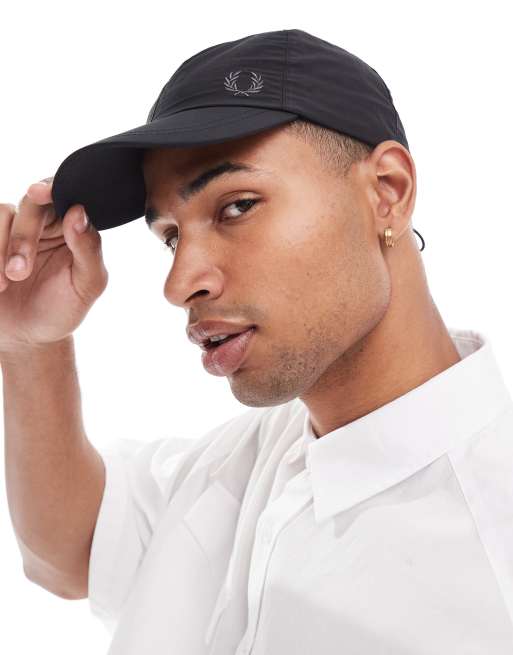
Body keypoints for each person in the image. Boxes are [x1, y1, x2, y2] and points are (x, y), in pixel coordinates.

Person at [2, 28, 513, 655]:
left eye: (237, 206)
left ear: (388, 191)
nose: (179, 284)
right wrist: (29, 346)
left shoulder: (489, 567)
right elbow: (71, 551)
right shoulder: (249, 460)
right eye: (171, 236)